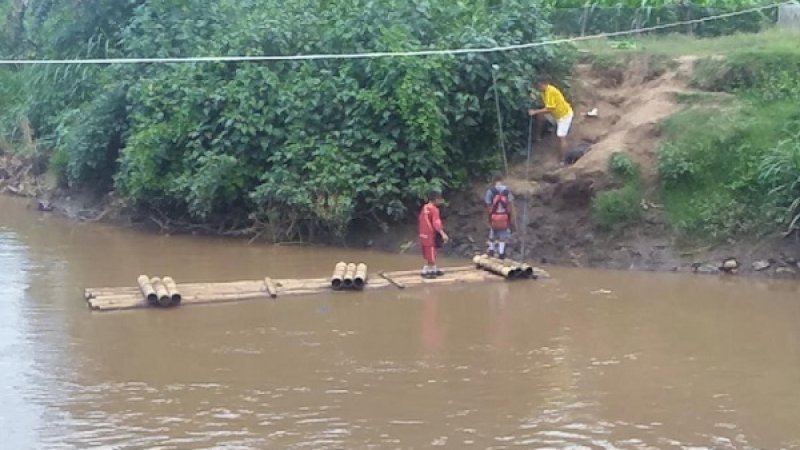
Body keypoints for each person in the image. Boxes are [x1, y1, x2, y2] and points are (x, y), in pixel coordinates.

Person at [528, 75, 574, 160]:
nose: (538, 87)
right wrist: (534, 98)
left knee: (561, 136)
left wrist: (534, 112)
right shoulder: (543, 91)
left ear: (544, 84)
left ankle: (563, 159)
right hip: (555, 115)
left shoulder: (551, 91)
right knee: (540, 115)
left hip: (564, 116)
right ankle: (538, 137)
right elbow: (541, 99)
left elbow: (550, 108)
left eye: (539, 85)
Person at [418, 189, 449, 278]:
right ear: (436, 199)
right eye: (440, 199)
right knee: (431, 252)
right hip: (430, 235)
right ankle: (427, 270)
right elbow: (436, 223)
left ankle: (432, 268)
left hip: (423, 234)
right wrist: (443, 234)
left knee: (427, 252)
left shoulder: (425, 208)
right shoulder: (434, 210)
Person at [484, 173, 514, 259]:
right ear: (502, 180)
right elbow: (510, 205)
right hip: (504, 217)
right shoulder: (507, 191)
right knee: (503, 235)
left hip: (494, 216)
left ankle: (491, 250)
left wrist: (488, 218)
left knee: (493, 232)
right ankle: (501, 253)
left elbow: (488, 205)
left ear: (494, 181)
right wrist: (510, 218)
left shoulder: (491, 191)